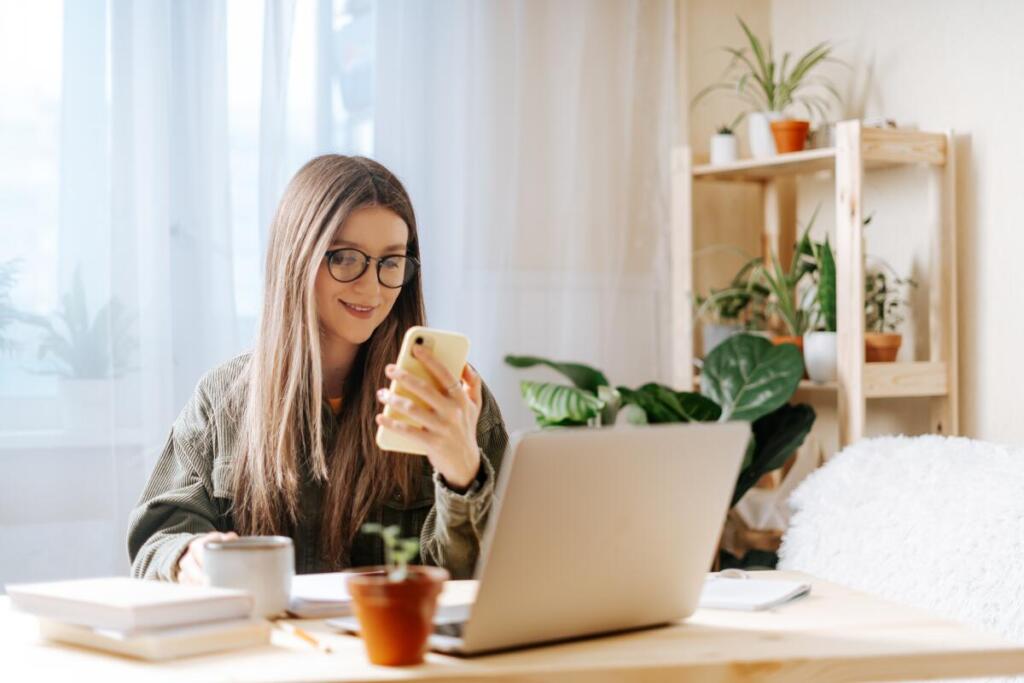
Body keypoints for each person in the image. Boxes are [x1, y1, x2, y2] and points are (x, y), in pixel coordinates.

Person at [127, 155, 508, 583]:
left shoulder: (453, 403)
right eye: (345, 258)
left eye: (390, 262)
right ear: (298, 257)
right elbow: (158, 537)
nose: (371, 286)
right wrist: (187, 555)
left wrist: (463, 477)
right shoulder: (223, 397)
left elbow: (492, 576)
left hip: (400, 629)